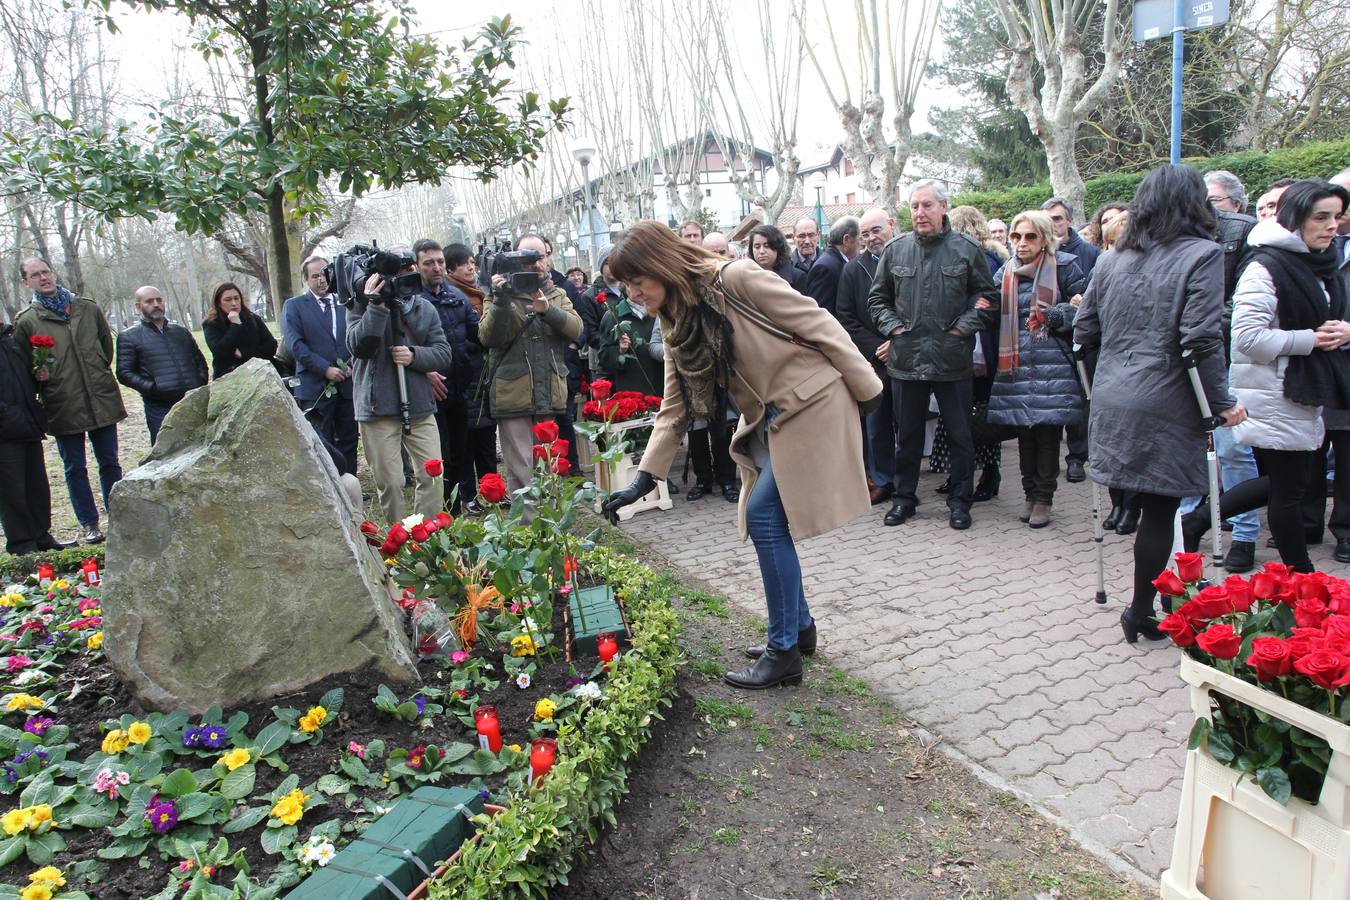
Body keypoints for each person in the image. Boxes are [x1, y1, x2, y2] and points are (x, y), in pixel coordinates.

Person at [600, 221, 882, 690]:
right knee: (768, 518)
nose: (632, 292)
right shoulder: (677, 315)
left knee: (764, 515)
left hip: (812, 401)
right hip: (773, 418)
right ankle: (800, 630)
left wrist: (867, 386)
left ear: (660, 266)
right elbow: (675, 405)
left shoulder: (735, 278)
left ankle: (784, 649)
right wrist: (645, 477)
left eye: (636, 280)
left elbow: (816, 320)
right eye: (624, 284)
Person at [1073, 165, 1246, 644]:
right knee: (1160, 507)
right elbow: (1202, 340)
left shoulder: (1110, 259)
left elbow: (1083, 333)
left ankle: (1156, 603)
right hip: (1167, 395)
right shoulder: (1203, 255)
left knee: (1154, 506)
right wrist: (1222, 403)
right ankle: (1145, 607)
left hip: (1114, 393)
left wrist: (1098, 388)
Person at [1183, 179, 1350, 574]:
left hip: (1305, 388)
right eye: (1320, 217)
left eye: (1336, 217)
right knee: (1289, 491)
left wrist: (1341, 331)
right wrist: (1312, 339)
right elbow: (1246, 338)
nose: (1331, 225)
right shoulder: (1266, 266)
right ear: (1296, 218)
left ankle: (1197, 520)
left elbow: (1327, 319)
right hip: (1275, 391)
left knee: (1287, 481)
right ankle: (1301, 577)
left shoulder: (1317, 260)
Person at [868, 179, 999, 530]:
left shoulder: (966, 249)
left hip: (951, 361)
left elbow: (987, 300)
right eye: (914, 206)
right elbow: (877, 299)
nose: (920, 213)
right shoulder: (895, 251)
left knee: (960, 435)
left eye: (927, 205)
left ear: (944, 207)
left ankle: (960, 501)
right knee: (907, 437)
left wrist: (960, 330)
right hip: (906, 361)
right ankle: (904, 499)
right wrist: (894, 329)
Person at [986, 211, 1088, 528]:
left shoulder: (1065, 266)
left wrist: (1059, 314)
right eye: (1017, 237)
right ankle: (1030, 493)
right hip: (1014, 364)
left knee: (1047, 433)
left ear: (1044, 238)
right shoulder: (1005, 271)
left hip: (1051, 363)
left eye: (1030, 236)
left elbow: (1085, 310)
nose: (1022, 243)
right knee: (1023, 435)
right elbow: (989, 308)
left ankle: (1044, 497)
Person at [13, 258, 125, 544]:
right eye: (35, 275)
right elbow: (25, 365)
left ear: (53, 273)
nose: (43, 277)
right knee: (75, 467)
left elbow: (105, 347)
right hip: (62, 402)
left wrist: (96, 372)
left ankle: (121, 516)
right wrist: (43, 375)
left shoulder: (87, 308)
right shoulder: (27, 321)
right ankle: (90, 523)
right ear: (27, 282)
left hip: (100, 396)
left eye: (46, 271)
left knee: (110, 461)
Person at [347, 258, 453, 525]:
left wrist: (414, 355)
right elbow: (359, 347)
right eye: (394, 276)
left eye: (407, 273)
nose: (400, 281)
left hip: (419, 406)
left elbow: (443, 353)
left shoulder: (423, 307)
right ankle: (398, 545)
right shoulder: (359, 304)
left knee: (433, 475)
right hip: (377, 407)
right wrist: (376, 306)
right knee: (391, 482)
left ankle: (425, 537)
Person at [480, 234, 584, 492]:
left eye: (541, 256)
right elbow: (488, 337)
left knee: (549, 471)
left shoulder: (557, 293)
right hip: (513, 397)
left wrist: (548, 310)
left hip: (548, 395)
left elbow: (577, 330)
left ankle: (550, 530)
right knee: (523, 475)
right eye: (528, 257)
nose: (536, 263)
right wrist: (502, 300)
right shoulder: (499, 294)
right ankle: (528, 532)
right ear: (514, 259)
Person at [937, 205, 1011, 502]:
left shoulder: (985, 259)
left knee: (980, 415)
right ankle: (962, 473)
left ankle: (989, 475)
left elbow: (981, 308)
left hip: (978, 350)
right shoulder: (981, 256)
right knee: (964, 416)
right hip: (966, 350)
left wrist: (979, 356)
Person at [836, 207, 897, 506]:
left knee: (910, 423)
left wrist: (898, 341)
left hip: (908, 354)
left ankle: (907, 483)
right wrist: (877, 346)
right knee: (877, 424)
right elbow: (845, 317)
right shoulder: (852, 270)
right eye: (866, 233)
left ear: (891, 225)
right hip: (874, 361)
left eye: (877, 229)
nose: (872, 237)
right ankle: (883, 480)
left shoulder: (907, 259)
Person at [416, 240, 481, 512]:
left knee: (460, 450)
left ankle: (459, 504)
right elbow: (408, 344)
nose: (436, 268)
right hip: (430, 390)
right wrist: (427, 368)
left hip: (459, 386)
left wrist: (459, 355)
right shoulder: (413, 302)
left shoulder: (455, 296)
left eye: (440, 262)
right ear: (417, 266)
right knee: (438, 454)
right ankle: (443, 509)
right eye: (429, 262)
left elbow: (476, 336)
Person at [283, 256, 358, 475]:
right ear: (306, 279)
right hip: (315, 386)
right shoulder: (295, 306)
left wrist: (352, 364)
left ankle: (349, 482)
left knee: (349, 436)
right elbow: (295, 345)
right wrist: (325, 369)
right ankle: (328, 483)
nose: (321, 280)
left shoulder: (346, 304)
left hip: (347, 384)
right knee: (320, 438)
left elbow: (355, 337)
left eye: (325, 274)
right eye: (315, 276)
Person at [1040, 197, 1097, 484]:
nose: (1054, 224)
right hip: (1046, 343)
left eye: (1058, 218)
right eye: (1048, 219)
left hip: (1077, 340)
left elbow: (1090, 300)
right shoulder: (1033, 254)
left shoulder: (1088, 254)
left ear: (1069, 221)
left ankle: (1077, 457)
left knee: (1078, 400)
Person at [0, 318, 65, 556]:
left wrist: (39, 377)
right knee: (11, 490)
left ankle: (41, 535)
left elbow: (24, 382)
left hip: (27, 425)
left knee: (37, 485)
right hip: (5, 432)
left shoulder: (12, 340)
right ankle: (21, 543)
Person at [115, 286, 209, 444]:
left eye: (159, 300)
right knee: (166, 451)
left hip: (192, 400)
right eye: (149, 301)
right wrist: (153, 388)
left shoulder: (180, 331)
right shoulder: (129, 336)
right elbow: (124, 373)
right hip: (160, 407)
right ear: (138, 307)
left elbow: (199, 360)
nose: (156, 304)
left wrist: (200, 381)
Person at [446, 244, 497, 495]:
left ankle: (493, 490)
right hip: (466, 377)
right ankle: (468, 494)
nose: (471, 267)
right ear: (450, 268)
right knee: (465, 442)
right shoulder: (452, 297)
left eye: (472, 262)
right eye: (464, 263)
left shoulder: (481, 293)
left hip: (485, 377)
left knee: (487, 438)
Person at [596, 279, 663, 395]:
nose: (640, 290)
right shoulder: (613, 316)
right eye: (634, 285)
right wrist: (620, 351)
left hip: (661, 387)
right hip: (629, 392)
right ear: (625, 287)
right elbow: (604, 358)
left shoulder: (661, 312)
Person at [202, 282, 279, 379]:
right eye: (228, 300)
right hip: (229, 377)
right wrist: (235, 325)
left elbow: (271, 346)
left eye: (236, 298)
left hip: (260, 373)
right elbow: (221, 351)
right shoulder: (212, 324)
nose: (234, 303)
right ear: (218, 303)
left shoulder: (253, 318)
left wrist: (243, 353)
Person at [802, 217, 859, 315]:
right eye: (860, 238)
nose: (863, 243)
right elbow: (821, 312)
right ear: (846, 239)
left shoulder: (836, 261)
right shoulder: (825, 268)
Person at [748, 225, 804, 290]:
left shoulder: (797, 276)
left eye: (767, 246)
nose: (761, 251)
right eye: (757, 247)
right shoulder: (746, 277)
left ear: (778, 247)